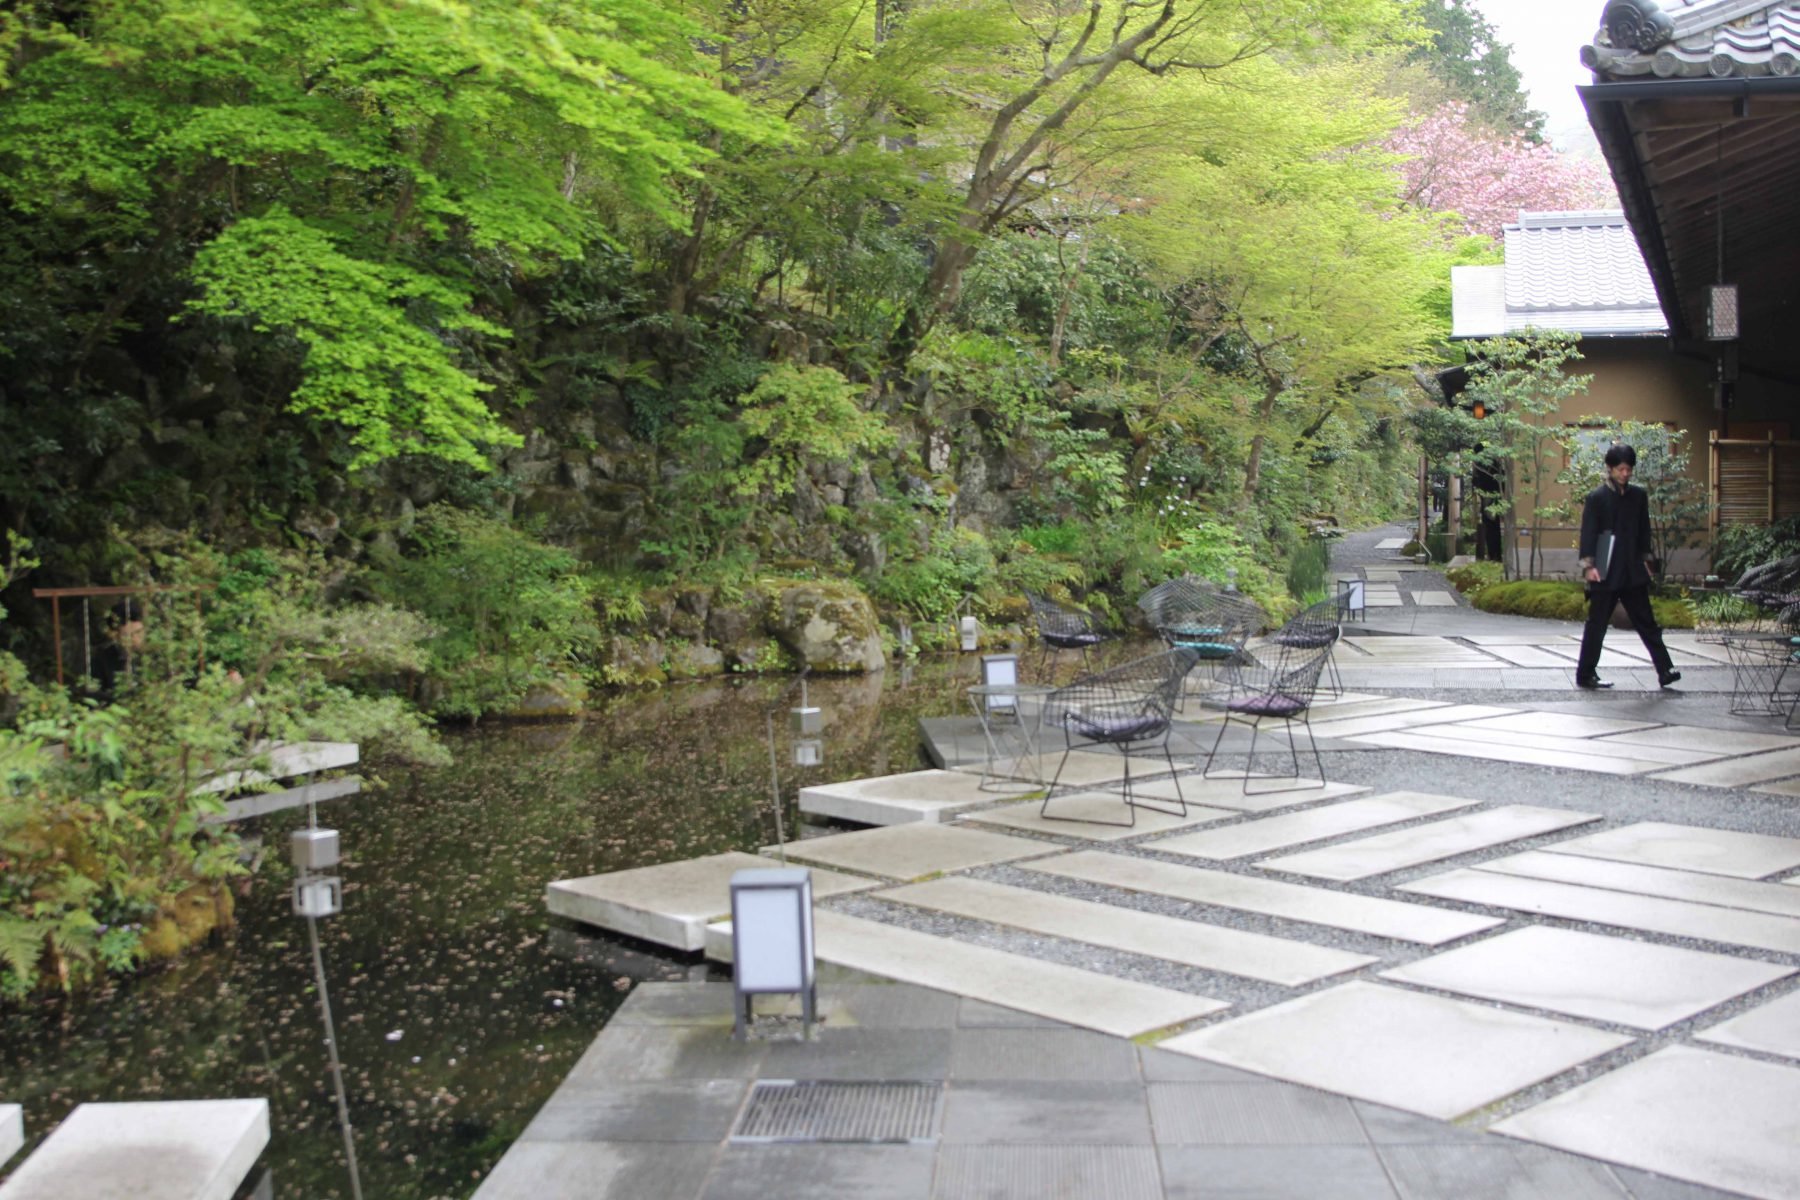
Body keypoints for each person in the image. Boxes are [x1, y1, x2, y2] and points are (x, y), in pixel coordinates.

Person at [1575, 444, 1681, 691]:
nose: (1625, 474)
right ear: (1610, 469)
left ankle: (1665, 669)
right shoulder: (1597, 497)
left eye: (1628, 469)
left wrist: (1648, 561)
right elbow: (1589, 532)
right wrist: (1589, 565)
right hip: (1604, 560)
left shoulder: (1638, 496)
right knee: (1597, 623)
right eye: (1621, 469)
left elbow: (1644, 530)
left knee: (1647, 621)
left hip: (1632, 565)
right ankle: (1585, 673)